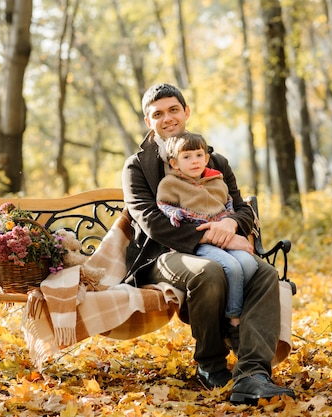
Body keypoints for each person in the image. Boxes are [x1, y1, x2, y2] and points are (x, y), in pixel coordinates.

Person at [122, 83, 295, 403]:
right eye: (157, 114)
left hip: (222, 245)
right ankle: (210, 363)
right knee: (208, 272)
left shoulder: (211, 157)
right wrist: (213, 235)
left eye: (174, 109)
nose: (167, 118)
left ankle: (253, 373)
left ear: (186, 112)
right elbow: (150, 220)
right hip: (164, 253)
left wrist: (230, 224)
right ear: (149, 122)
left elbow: (242, 208)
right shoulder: (137, 166)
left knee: (265, 273)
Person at [156, 132, 259, 352]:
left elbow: (230, 203)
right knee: (230, 266)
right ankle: (233, 321)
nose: (194, 161)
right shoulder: (171, 184)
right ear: (174, 163)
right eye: (187, 157)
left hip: (224, 236)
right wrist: (176, 214)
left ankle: (228, 310)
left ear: (205, 158)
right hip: (199, 241)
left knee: (249, 263)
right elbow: (163, 205)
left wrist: (230, 223)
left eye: (198, 155)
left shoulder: (216, 179)